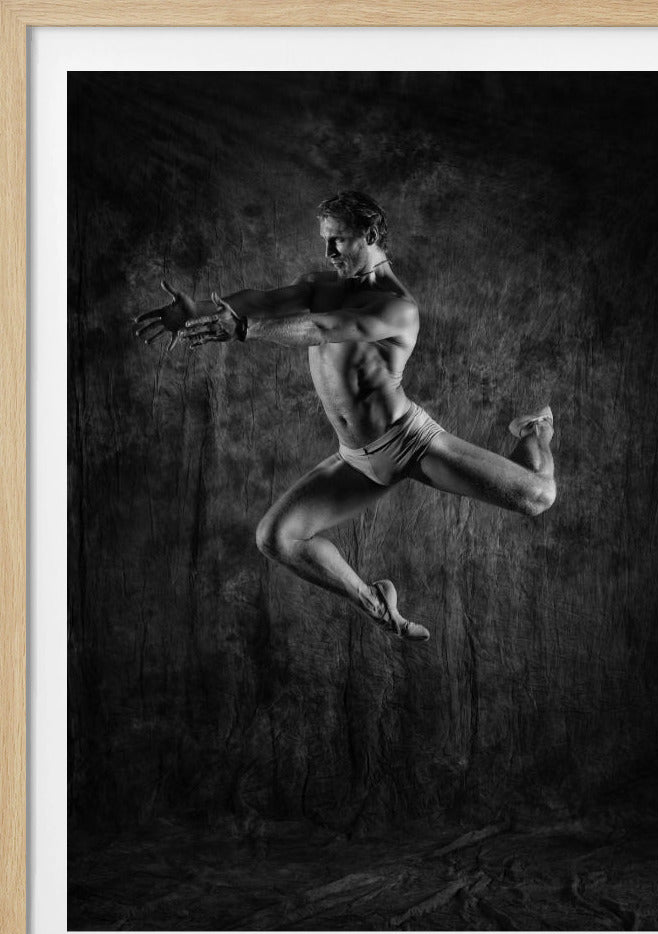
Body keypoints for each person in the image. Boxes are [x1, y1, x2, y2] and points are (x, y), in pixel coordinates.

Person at [134, 191, 556, 641]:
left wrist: (243, 330)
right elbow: (263, 300)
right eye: (325, 240)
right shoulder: (321, 285)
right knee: (276, 538)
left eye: (339, 240)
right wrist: (200, 311)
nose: (329, 252)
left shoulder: (397, 307)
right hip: (355, 457)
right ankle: (375, 602)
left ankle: (535, 431)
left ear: (370, 235)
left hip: (408, 443)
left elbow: (326, 328)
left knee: (537, 497)